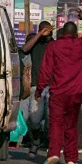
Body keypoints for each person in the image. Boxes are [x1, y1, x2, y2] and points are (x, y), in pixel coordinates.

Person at [36, 8, 82, 164]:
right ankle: (71, 158)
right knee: (71, 125)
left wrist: (39, 89)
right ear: (76, 32)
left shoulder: (54, 46)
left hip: (58, 92)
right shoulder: (80, 45)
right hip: (76, 93)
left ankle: (54, 153)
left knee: (56, 124)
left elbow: (45, 70)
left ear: (63, 32)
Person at [21, 21, 54, 154]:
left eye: (48, 31)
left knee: (50, 120)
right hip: (36, 87)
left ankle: (48, 145)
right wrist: (39, 34)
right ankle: (35, 141)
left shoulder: (54, 44)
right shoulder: (35, 44)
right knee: (34, 119)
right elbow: (24, 49)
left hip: (52, 87)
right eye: (43, 31)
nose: (47, 34)